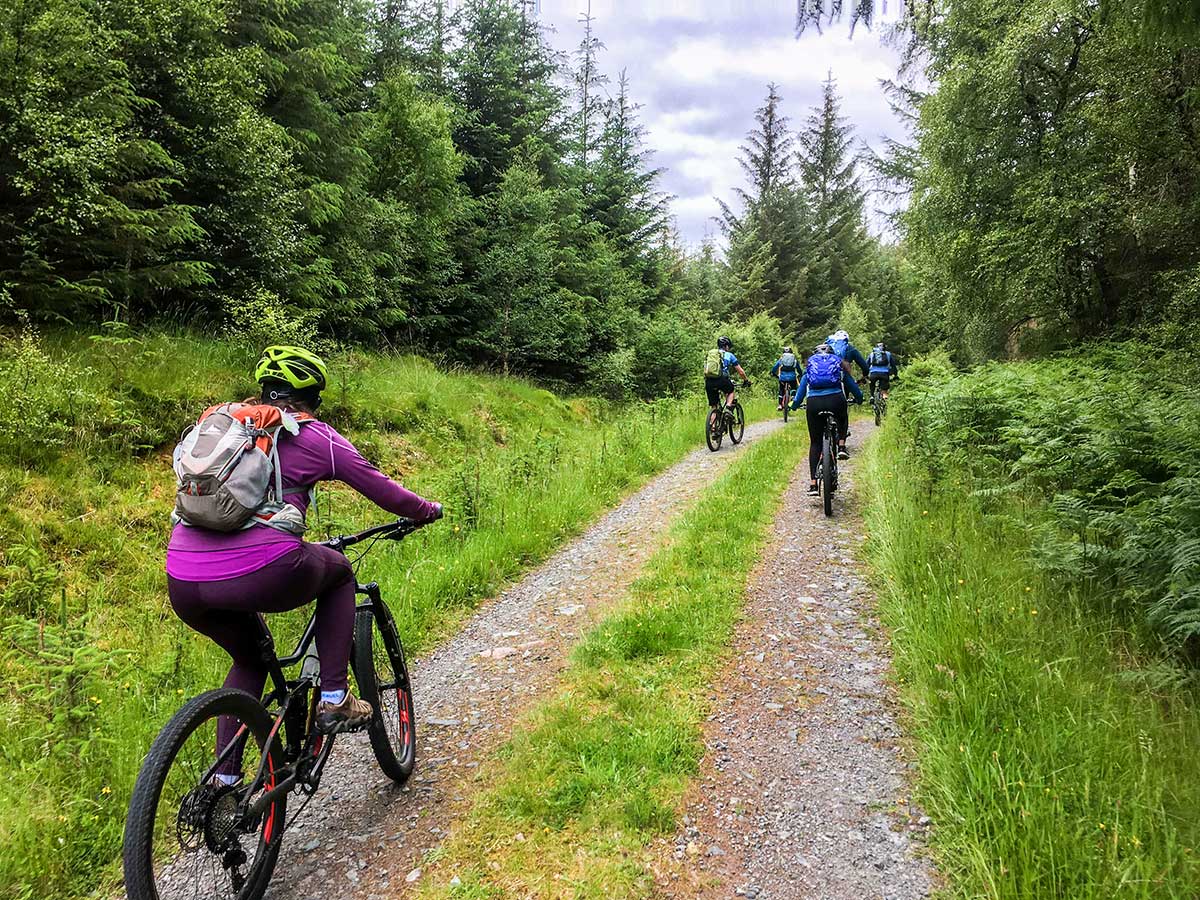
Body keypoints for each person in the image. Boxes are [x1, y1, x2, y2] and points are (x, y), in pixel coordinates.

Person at [166, 346, 442, 781]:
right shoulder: (313, 435)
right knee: (339, 574)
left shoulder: (224, 430)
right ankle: (333, 698)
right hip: (264, 568)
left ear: (264, 393)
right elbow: (381, 488)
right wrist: (425, 510)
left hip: (183, 577)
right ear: (312, 397)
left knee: (250, 660)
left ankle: (225, 786)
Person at [791, 343, 851, 494]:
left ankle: (813, 484)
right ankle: (842, 445)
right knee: (843, 418)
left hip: (814, 404)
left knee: (815, 442)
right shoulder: (839, 369)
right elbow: (856, 391)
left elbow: (798, 397)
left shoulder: (809, 372)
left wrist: (793, 405)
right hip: (836, 400)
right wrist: (859, 398)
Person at [703, 336, 750, 413]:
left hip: (709, 381)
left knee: (714, 407)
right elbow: (740, 372)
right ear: (726, 346)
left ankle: (712, 425)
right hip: (721, 380)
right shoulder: (729, 355)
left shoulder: (712, 354)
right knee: (731, 390)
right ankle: (728, 408)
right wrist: (746, 380)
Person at [825, 329, 870, 403]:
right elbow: (864, 366)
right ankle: (859, 399)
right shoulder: (850, 348)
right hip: (841, 375)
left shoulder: (826, 346)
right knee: (849, 388)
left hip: (823, 374)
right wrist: (865, 375)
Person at [770, 346, 800, 410]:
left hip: (782, 378)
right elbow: (799, 369)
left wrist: (772, 373)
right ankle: (792, 400)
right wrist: (800, 374)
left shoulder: (781, 359)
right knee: (793, 388)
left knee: (781, 390)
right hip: (792, 378)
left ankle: (780, 405)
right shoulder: (794, 360)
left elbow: (775, 367)